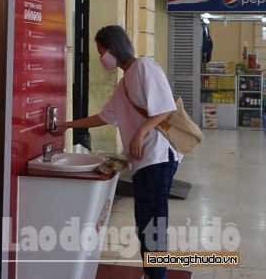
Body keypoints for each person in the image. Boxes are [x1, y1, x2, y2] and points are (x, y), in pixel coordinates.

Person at [51, 25, 180, 279]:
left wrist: (141, 132)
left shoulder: (144, 67)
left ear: (114, 47)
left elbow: (164, 109)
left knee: (153, 223)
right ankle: (152, 273)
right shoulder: (124, 82)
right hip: (143, 161)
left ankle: (157, 276)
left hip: (157, 156)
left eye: (102, 51)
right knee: (145, 223)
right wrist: (67, 125)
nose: (101, 58)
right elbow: (103, 117)